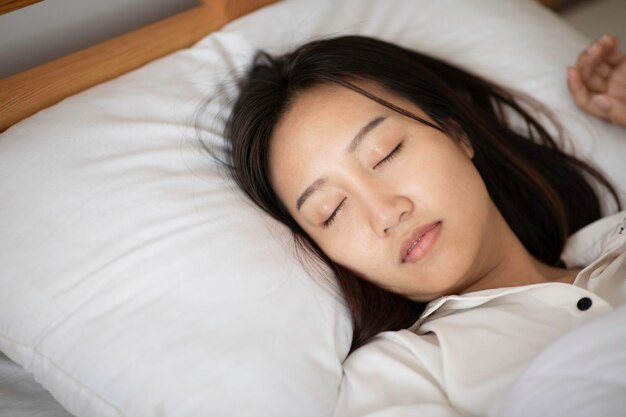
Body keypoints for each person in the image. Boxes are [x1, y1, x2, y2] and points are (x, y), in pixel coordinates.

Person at [220, 33, 626, 416]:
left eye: (386, 153)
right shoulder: (399, 378)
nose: (385, 213)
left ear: (455, 132)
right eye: (332, 211)